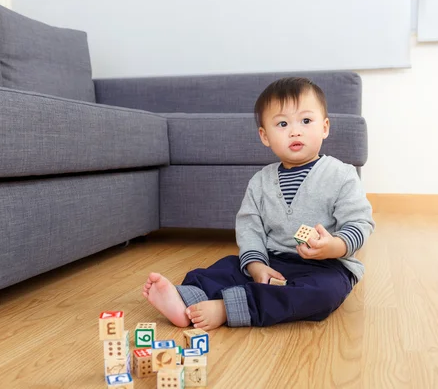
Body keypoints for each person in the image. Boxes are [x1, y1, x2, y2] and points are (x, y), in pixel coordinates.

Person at [142, 77, 375, 330]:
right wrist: (256, 266)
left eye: (306, 121)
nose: (295, 131)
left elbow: (359, 223)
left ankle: (227, 308)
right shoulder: (260, 182)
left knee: (323, 294)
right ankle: (185, 299)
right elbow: (249, 229)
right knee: (226, 268)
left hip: (327, 266)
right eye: (283, 124)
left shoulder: (341, 174)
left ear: (325, 127)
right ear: (265, 136)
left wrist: (334, 246)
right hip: (272, 260)